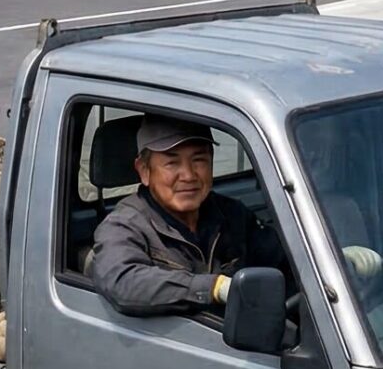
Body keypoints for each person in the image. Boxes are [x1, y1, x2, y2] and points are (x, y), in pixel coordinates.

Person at [89, 115, 290, 317]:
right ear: (144, 170)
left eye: (199, 160)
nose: (188, 175)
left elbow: (284, 263)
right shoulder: (124, 226)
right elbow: (124, 283)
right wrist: (214, 287)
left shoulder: (231, 214)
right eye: (172, 163)